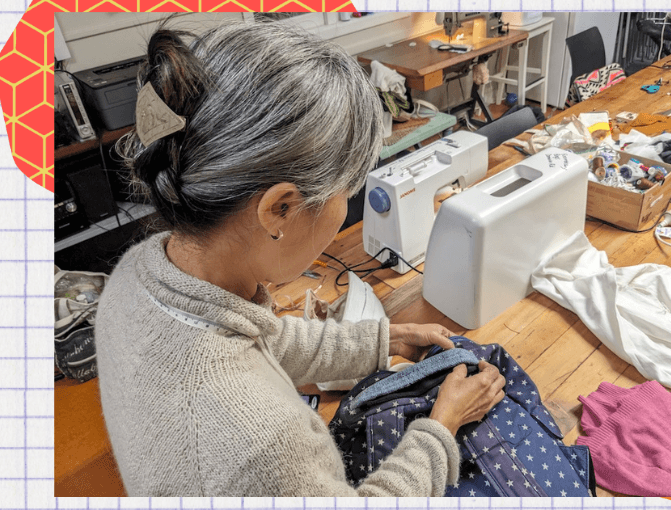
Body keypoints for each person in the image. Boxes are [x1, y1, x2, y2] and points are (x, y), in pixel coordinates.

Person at [96, 20, 506, 497]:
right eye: (346, 193)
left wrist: (384, 339)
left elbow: (260, 337)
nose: (345, 207)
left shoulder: (141, 273)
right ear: (280, 208)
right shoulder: (263, 448)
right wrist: (441, 428)